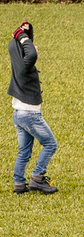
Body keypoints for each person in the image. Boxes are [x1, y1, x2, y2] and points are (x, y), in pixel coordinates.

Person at [9, 22, 58, 194]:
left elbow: (25, 49)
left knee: (24, 151)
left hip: (18, 113)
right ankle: (37, 178)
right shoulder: (26, 64)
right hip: (30, 114)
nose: (35, 48)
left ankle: (19, 184)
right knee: (51, 144)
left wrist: (25, 33)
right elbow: (30, 55)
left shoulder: (17, 61)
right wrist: (22, 36)